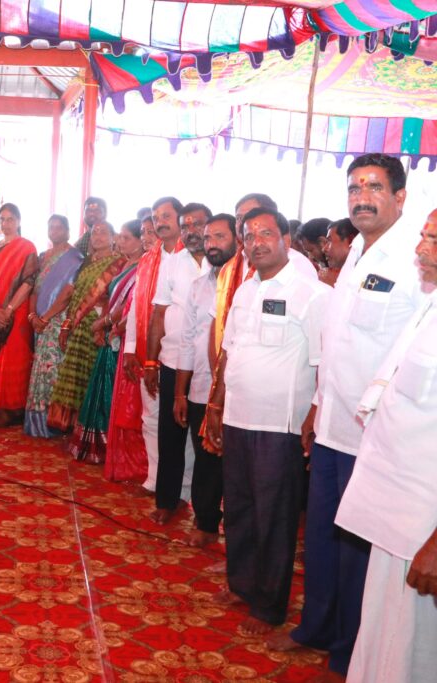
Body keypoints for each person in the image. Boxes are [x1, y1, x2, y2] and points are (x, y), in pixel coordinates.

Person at [267, 153, 427, 679]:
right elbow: (338, 342)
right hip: (335, 424)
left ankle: (348, 649)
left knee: (360, 550)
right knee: (323, 540)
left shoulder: (416, 260)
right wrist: (317, 405)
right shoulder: (354, 248)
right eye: (354, 186)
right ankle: (315, 626)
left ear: (400, 197)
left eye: (375, 187)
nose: (362, 196)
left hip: (378, 439)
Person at [204, 207, 330, 636]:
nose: (257, 242)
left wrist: (313, 415)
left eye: (266, 233)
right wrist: (217, 405)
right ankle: (241, 583)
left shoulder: (310, 294)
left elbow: (322, 362)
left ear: (285, 240)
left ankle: (269, 605)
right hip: (239, 417)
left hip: (280, 427)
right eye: (249, 235)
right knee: (238, 507)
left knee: (274, 516)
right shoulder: (243, 290)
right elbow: (229, 352)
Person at [335, 209, 437, 683]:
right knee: (380, 636)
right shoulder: (430, 304)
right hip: (394, 514)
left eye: (433, 240)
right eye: (423, 237)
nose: (420, 250)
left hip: (424, 529)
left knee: (413, 650)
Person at [174, 214, 237, 547]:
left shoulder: (247, 284)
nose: (212, 244)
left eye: (220, 237)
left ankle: (237, 531)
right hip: (201, 386)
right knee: (206, 457)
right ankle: (206, 520)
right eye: (208, 237)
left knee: (236, 464)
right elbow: (186, 340)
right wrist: (180, 393)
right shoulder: (199, 287)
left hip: (239, 392)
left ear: (236, 240)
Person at [146, 201, 210, 524]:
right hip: (173, 360)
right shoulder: (172, 262)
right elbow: (159, 313)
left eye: (198, 224)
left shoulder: (225, 265)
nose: (191, 231)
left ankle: (206, 512)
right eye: (187, 226)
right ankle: (167, 501)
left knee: (205, 444)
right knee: (170, 436)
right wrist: (149, 360)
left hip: (209, 367)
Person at [121, 197, 185, 494]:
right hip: (148, 350)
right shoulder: (149, 258)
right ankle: (155, 478)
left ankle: (183, 487)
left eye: (166, 216)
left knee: (179, 421)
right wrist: (132, 348)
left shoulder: (193, 257)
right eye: (156, 217)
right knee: (151, 417)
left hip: (182, 355)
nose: (160, 222)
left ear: (179, 219)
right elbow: (137, 307)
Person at [72, 219, 145, 462]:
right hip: (111, 330)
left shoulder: (142, 267)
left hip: (123, 333)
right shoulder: (126, 264)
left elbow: (129, 305)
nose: (120, 241)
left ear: (138, 242)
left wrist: (103, 324)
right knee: (103, 386)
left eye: (126, 238)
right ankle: (99, 446)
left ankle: (110, 448)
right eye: (120, 237)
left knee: (112, 390)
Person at [47, 220, 122, 434]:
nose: (97, 236)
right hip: (77, 324)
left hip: (95, 324)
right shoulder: (86, 262)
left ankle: (88, 429)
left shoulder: (117, 263)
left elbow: (113, 298)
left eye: (103, 233)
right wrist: (68, 323)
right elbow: (76, 293)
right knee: (73, 373)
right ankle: (70, 426)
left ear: (112, 237)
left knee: (90, 374)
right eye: (94, 233)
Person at [102, 219, 155, 482]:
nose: (146, 237)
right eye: (143, 232)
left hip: (148, 346)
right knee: (130, 406)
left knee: (139, 411)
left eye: (149, 232)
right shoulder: (142, 265)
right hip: (131, 343)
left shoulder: (159, 266)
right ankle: (128, 466)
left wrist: (115, 326)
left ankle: (143, 470)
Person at [24, 214, 84, 438]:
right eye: (51, 227)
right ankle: (36, 424)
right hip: (40, 321)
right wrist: (32, 316)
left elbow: (68, 292)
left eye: (60, 227)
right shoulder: (44, 256)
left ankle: (54, 424)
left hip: (57, 322)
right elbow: (36, 289)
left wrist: (47, 317)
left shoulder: (75, 257)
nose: (55, 231)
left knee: (53, 371)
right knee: (40, 370)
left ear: (68, 231)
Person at [0, 203, 39, 427]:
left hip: (17, 312)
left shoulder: (27, 247)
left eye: (11, 219)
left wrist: (9, 310)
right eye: (2, 219)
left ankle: (13, 411)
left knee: (14, 360)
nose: (6, 224)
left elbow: (29, 282)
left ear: (19, 221)